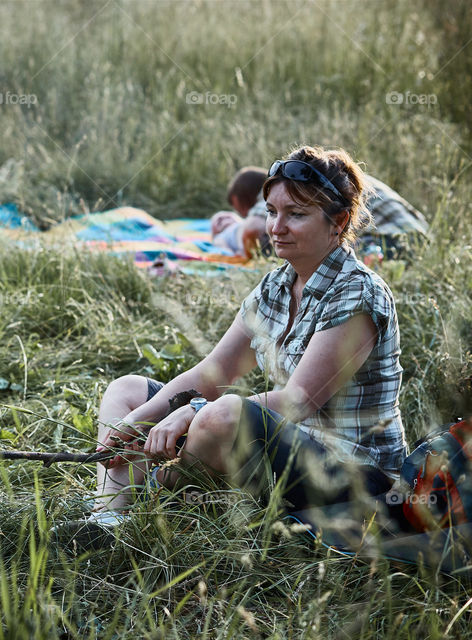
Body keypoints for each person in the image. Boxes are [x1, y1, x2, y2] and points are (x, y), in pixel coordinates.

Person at [87, 146, 407, 529]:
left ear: (338, 221)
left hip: (355, 478)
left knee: (220, 415)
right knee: (127, 391)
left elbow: (297, 400)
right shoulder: (276, 285)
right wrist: (136, 422)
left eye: (297, 214)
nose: (276, 227)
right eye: (272, 212)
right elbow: (214, 371)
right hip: (291, 451)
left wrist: (191, 413)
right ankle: (107, 519)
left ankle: (145, 499)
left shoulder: (359, 293)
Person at [210, 165, 429, 260]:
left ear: (239, 201)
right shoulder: (311, 179)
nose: (276, 225)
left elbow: (252, 233)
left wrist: (225, 236)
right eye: (271, 212)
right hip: (421, 238)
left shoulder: (283, 187)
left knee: (278, 245)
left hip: (389, 243)